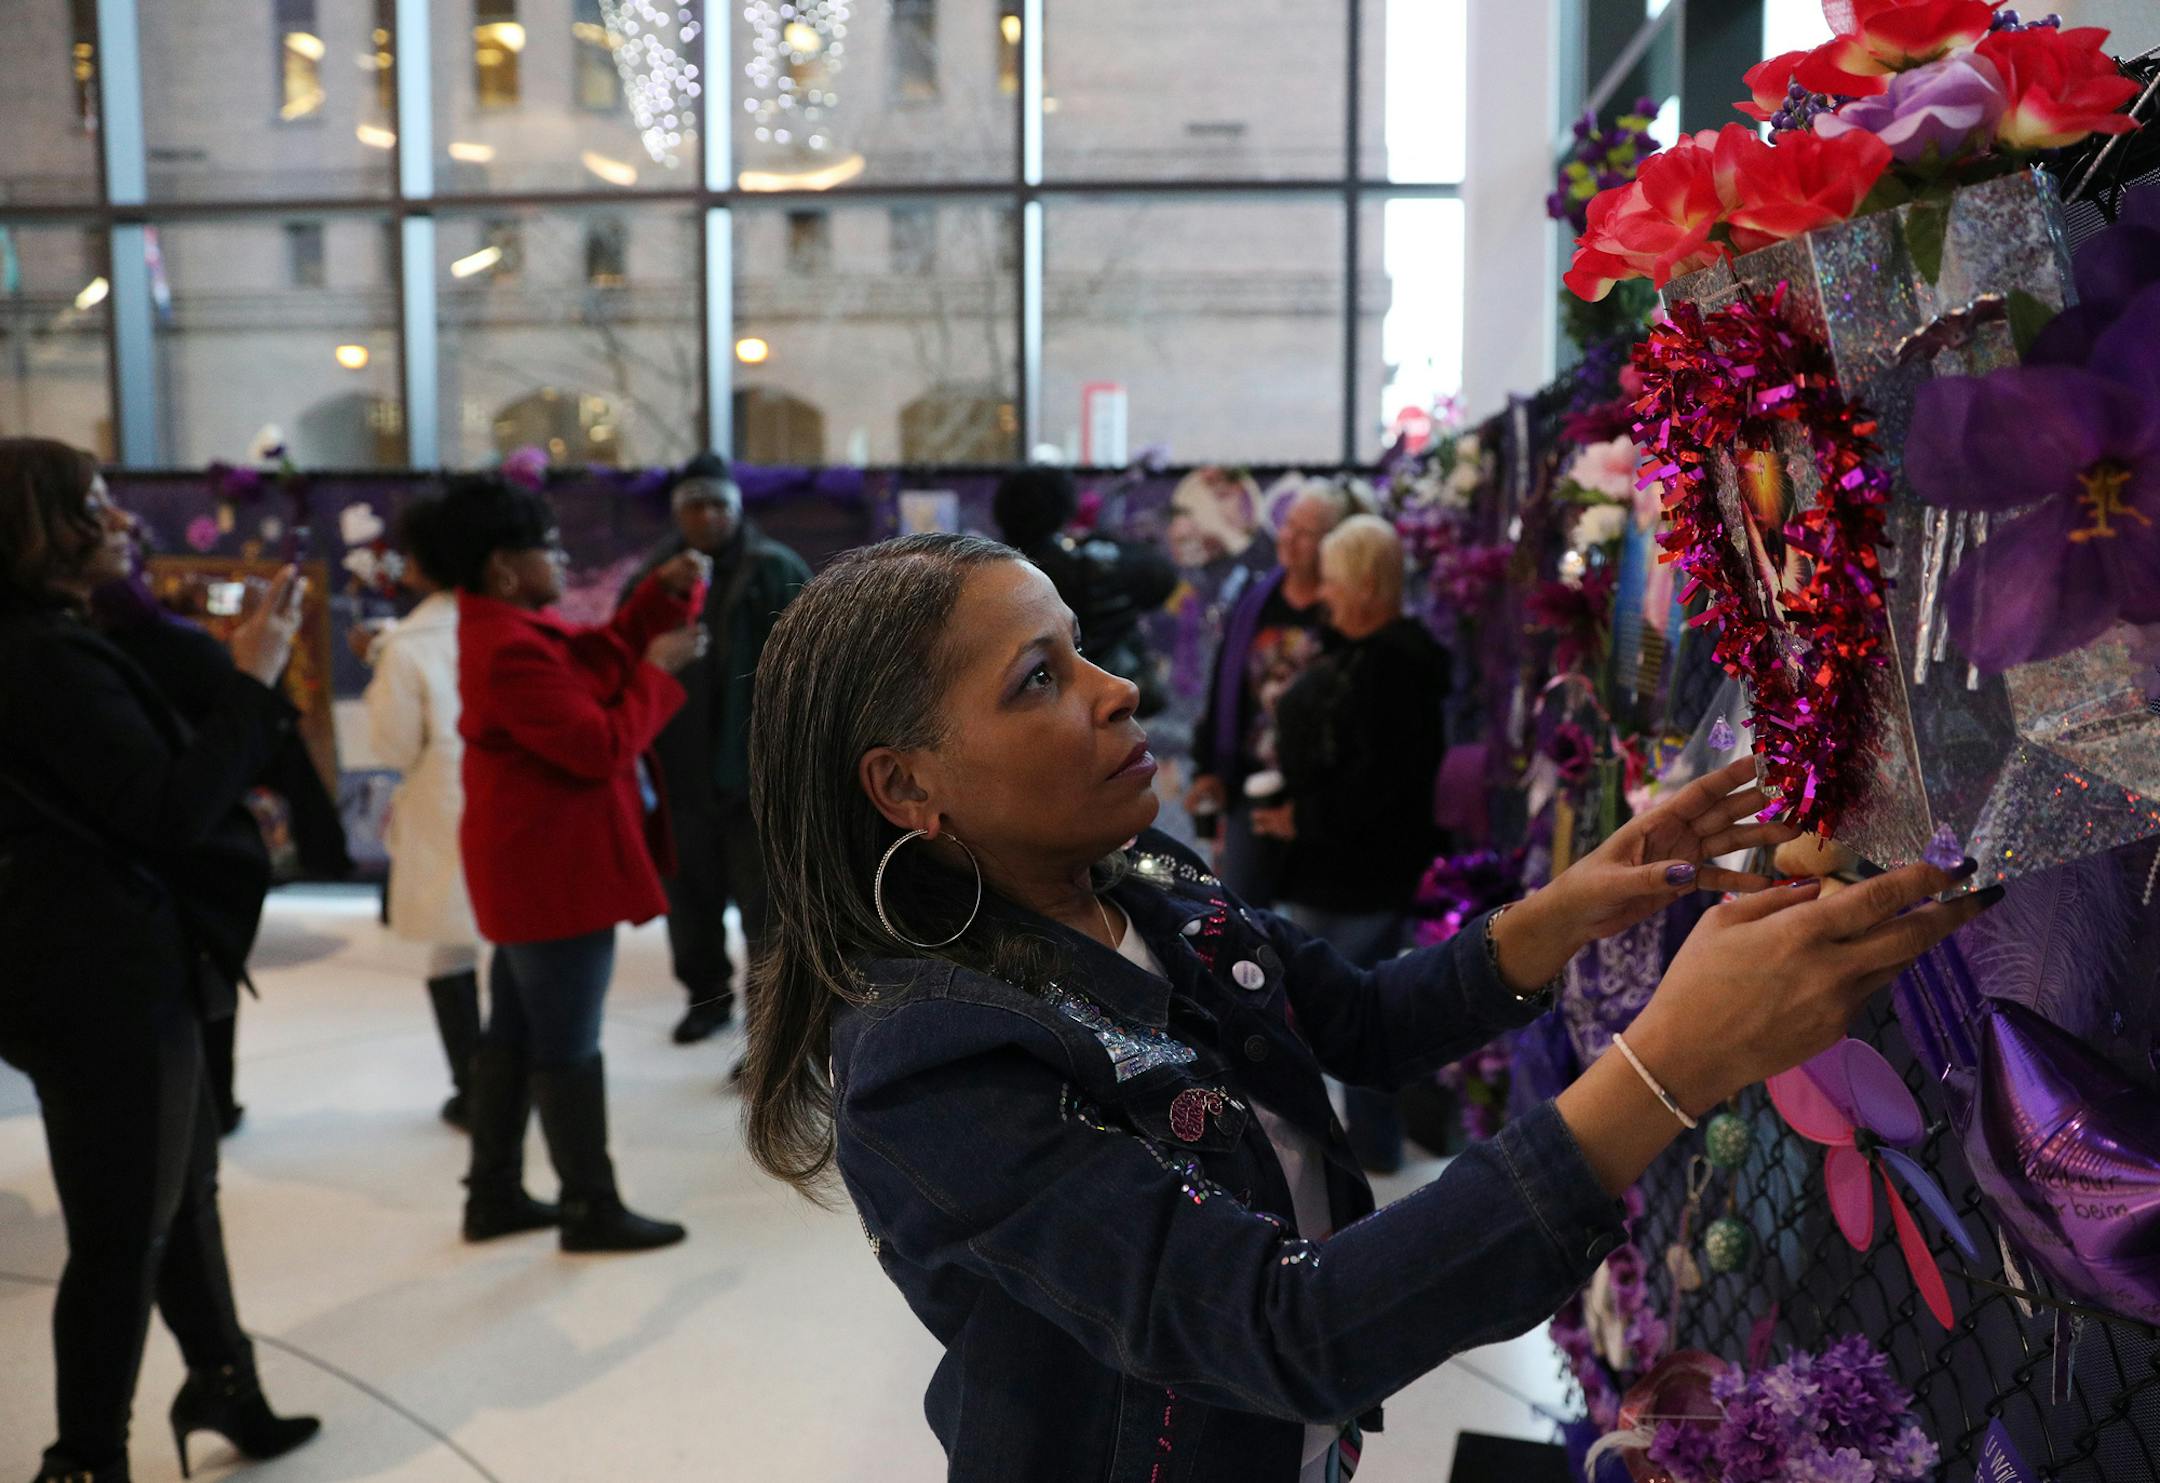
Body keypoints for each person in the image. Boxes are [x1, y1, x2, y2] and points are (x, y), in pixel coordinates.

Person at [738, 532, 1998, 1482]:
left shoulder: (1143, 877)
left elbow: (1355, 1020)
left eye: (1083, 647)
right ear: (908, 786)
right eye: (1037, 678)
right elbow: (1287, 1325)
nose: (1116, 689)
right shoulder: (930, 1063)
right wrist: (1669, 1065)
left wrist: (1578, 900)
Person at [0, 439, 320, 1483]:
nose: (121, 519)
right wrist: (257, 678)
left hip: (101, 961)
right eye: (94, 503)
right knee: (120, 1229)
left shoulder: (53, 640)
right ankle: (82, 1458)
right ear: (43, 526)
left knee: (177, 1193)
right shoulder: (43, 656)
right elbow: (169, 808)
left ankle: (224, 1381)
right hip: (102, 976)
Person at [443, 473, 707, 1253]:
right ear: (503, 567)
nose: (559, 557)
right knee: (565, 1042)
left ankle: (491, 1192)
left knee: (515, 1034)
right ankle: (589, 1204)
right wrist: (659, 672)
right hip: (553, 874)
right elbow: (595, 743)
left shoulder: (507, 630)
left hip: (533, 869)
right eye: (546, 548)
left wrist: (656, 601)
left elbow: (596, 662)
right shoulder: (509, 648)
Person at [91, 573, 352, 1138]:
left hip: (123, 895)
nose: (110, 520)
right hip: (165, 883)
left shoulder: (81, 651)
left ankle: (211, 1109)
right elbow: (189, 800)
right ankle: (217, 1104)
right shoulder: (77, 655)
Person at [1252, 515, 1450, 1173]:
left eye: (1334, 579)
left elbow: (1382, 784)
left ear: (1366, 585)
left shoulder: (1395, 667)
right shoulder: (1364, 652)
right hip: (1334, 866)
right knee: (1340, 1012)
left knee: (1339, 1015)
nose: (1323, 592)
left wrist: (1300, 818)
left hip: (1355, 873)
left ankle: (1353, 1153)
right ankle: (1357, 1149)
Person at [623, 452, 811, 1047]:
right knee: (691, 907)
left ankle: (769, 1036)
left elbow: (816, 664)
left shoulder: (776, 568)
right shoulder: (654, 576)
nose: (708, 516)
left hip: (755, 779)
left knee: (768, 915)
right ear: (678, 513)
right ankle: (705, 1002)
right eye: (695, 506)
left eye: (718, 505)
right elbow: (621, 654)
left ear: (738, 507)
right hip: (678, 777)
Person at [358, 496, 485, 1128]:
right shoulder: (519, 621)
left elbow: (390, 745)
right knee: (522, 958)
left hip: (445, 807)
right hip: (514, 808)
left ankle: (474, 1087)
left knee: (451, 952)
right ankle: (525, 1081)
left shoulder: (410, 644)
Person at [1185, 483, 1356, 905]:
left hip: (1323, 794)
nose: (1288, 538)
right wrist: (1209, 769)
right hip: (1253, 784)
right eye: (1287, 526)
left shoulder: (1346, 609)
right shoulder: (1254, 603)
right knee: (1242, 912)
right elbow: (1222, 692)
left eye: (1305, 532)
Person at [992, 465, 1177, 717]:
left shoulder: (995, 579)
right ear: (1064, 508)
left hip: (1041, 713)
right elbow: (1161, 577)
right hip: (1112, 701)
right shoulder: (1088, 564)